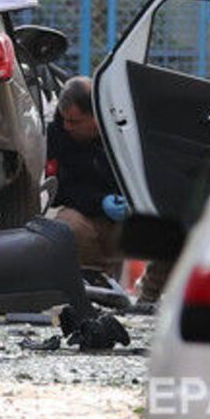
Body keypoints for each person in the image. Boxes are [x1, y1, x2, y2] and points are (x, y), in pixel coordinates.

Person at [47, 75, 127, 278]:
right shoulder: (57, 135)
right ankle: (88, 282)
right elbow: (59, 190)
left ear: (97, 118)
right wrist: (100, 202)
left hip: (122, 217)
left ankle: (143, 293)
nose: (67, 126)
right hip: (83, 212)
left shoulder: (125, 131)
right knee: (66, 227)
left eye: (75, 121)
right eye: (65, 119)